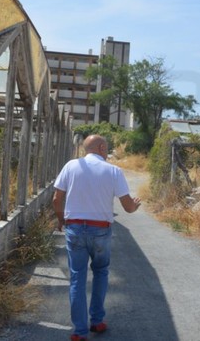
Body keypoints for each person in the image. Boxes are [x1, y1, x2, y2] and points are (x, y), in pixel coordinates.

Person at [53, 135, 141, 340]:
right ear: (101, 147)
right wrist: (135, 205)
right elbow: (128, 207)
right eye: (106, 148)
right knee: (101, 272)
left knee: (77, 277)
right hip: (101, 230)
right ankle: (97, 321)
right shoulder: (113, 171)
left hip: (74, 229)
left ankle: (79, 332)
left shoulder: (71, 166)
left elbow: (57, 198)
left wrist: (61, 220)